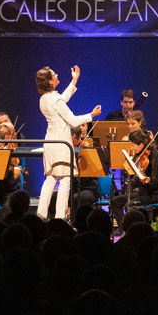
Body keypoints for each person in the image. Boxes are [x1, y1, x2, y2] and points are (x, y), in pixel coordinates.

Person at [35, 64, 102, 222]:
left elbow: (62, 99)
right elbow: (73, 121)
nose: (57, 76)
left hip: (50, 142)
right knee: (65, 180)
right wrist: (91, 115)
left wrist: (74, 81)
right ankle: (60, 217)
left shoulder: (44, 99)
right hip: (61, 144)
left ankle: (41, 215)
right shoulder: (55, 99)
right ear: (50, 81)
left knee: (50, 179)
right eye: (54, 75)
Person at [109, 129, 158, 228]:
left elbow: (154, 182)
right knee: (115, 201)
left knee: (130, 205)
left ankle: (136, 230)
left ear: (141, 145)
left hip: (155, 193)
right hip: (143, 192)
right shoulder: (139, 156)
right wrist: (131, 178)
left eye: (133, 145)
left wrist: (146, 179)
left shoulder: (156, 157)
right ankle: (124, 230)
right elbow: (134, 180)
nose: (131, 147)